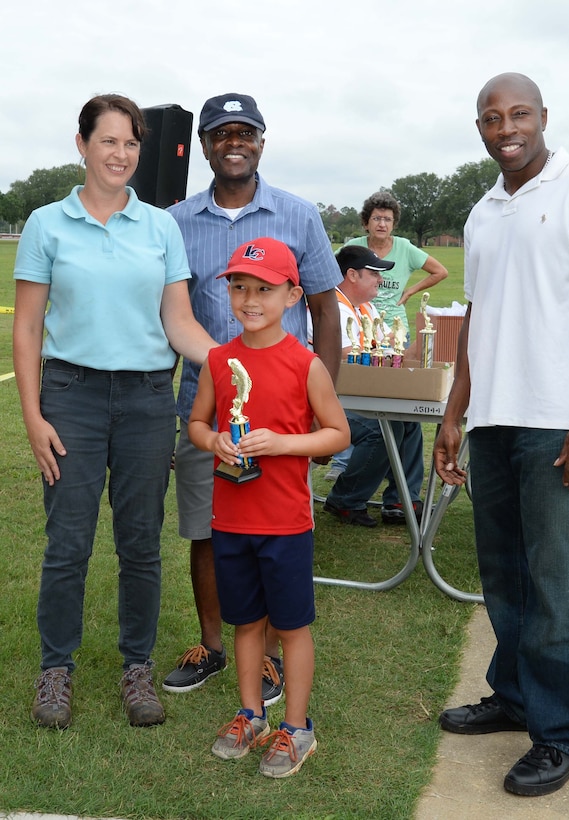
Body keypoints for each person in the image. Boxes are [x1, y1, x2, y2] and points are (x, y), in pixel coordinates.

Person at [432, 73, 569, 797]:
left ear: (543, 117)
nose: (506, 127)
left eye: (518, 113)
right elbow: (477, 324)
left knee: (554, 585)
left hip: (560, 423)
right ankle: (516, 697)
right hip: (492, 421)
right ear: (481, 127)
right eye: (491, 117)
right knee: (505, 576)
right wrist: (454, 414)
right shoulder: (485, 210)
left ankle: (560, 736)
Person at [13, 94, 220, 729]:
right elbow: (27, 329)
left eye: (131, 144)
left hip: (146, 400)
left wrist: (236, 363)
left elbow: (179, 321)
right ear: (82, 146)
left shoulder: (160, 227)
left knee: (140, 545)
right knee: (68, 544)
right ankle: (57, 671)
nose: (121, 155)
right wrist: (33, 416)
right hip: (70, 398)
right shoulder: (48, 224)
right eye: (109, 142)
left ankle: (136, 669)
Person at [164, 94, 342, 703]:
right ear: (205, 146)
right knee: (208, 529)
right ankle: (214, 647)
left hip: (286, 417)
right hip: (208, 408)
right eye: (221, 133)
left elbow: (324, 308)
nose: (233, 142)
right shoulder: (177, 221)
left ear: (262, 141)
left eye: (246, 132)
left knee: (275, 534)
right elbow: (172, 315)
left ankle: (267, 655)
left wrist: (324, 409)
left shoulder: (297, 214)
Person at [188, 237, 349, 777]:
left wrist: (282, 443)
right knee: (246, 622)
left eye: (264, 289)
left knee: (292, 625)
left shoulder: (306, 365)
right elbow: (197, 425)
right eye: (239, 287)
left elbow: (336, 435)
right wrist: (214, 443)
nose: (249, 299)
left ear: (292, 295)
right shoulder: (218, 359)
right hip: (231, 520)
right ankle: (251, 713)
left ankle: (297, 727)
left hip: (284, 523)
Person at [323, 245, 424, 527]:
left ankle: (401, 499)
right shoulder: (331, 307)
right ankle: (345, 500)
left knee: (409, 419)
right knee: (382, 429)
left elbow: (397, 352)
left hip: (360, 396)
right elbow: (347, 358)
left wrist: (428, 332)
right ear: (352, 275)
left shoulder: (366, 307)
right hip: (331, 401)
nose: (381, 280)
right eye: (374, 274)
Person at [344, 190, 448, 340]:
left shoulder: (405, 248)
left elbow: (440, 272)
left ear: (393, 224)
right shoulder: (353, 247)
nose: (382, 224)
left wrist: (410, 291)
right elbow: (330, 271)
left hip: (396, 330)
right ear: (366, 223)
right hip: (360, 327)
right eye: (376, 218)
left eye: (387, 219)